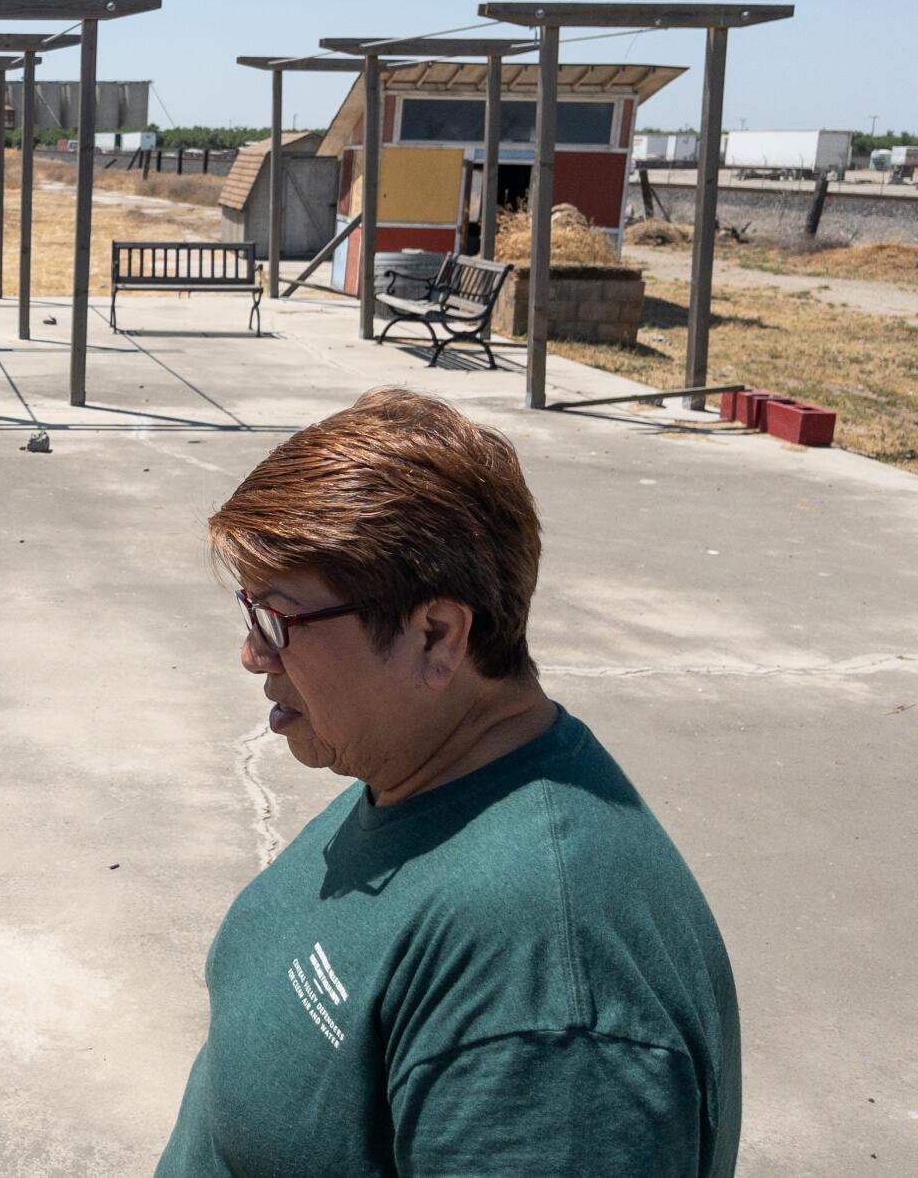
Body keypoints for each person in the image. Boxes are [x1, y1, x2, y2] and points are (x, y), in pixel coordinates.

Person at [156, 388, 739, 1177]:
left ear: (436, 635)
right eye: (250, 613)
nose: (253, 655)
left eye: (278, 621)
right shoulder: (418, 770)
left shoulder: (551, 1009)